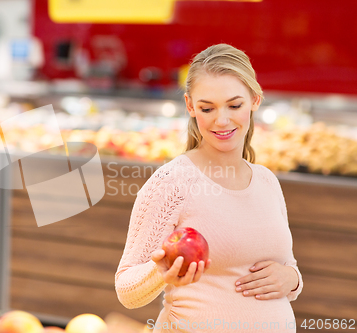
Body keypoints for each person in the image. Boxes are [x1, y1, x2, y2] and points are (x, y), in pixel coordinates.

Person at [115, 44, 303, 333]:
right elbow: (126, 290)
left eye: (234, 105)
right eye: (207, 108)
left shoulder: (266, 181)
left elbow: (287, 264)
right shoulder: (173, 182)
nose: (222, 120)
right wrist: (160, 272)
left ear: (255, 100)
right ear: (190, 106)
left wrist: (292, 279)